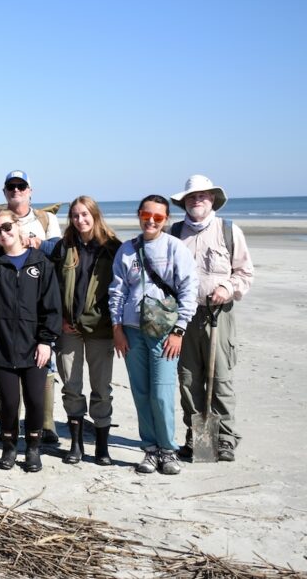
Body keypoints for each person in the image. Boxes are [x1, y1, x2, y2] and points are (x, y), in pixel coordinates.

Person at [0, 209, 62, 472]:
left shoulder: (41, 263)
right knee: (8, 402)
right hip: (1, 345)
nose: (3, 234)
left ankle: (32, 448)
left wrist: (46, 340)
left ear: (18, 226)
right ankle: (8, 447)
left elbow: (51, 306)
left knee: (35, 401)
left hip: (34, 347)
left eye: (7, 227)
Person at [108, 195, 198, 475]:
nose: (151, 221)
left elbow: (188, 289)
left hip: (164, 332)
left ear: (166, 219)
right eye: (147, 215)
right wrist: (117, 329)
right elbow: (117, 291)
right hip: (132, 332)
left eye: (158, 217)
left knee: (161, 393)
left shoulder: (175, 248)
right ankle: (149, 449)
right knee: (141, 392)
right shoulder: (127, 249)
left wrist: (180, 330)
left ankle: (168, 450)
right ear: (139, 214)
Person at [169, 175, 255, 462]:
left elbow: (244, 273)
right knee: (189, 381)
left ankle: (225, 440)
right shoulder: (175, 232)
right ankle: (198, 440)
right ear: (184, 202)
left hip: (219, 316)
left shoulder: (229, 231)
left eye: (202, 196)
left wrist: (227, 288)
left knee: (221, 380)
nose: (197, 200)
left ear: (212, 199)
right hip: (184, 319)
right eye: (192, 197)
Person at [0, 169, 63, 446]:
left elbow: (58, 250)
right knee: (8, 392)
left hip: (38, 302)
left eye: (21, 186)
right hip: (8, 308)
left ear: (30, 190)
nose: (16, 190)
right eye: (11, 186)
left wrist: (35, 244)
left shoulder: (46, 219)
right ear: (5, 191)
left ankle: (45, 425)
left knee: (45, 372)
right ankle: (8, 433)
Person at [49, 196, 121, 466]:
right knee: (71, 387)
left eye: (85, 214)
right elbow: (52, 285)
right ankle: (76, 446)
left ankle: (102, 447)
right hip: (69, 329)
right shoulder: (64, 246)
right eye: (75, 215)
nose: (80, 220)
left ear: (95, 215)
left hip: (100, 329)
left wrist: (117, 327)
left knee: (101, 389)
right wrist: (59, 320)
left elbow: (122, 289)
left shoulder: (112, 247)